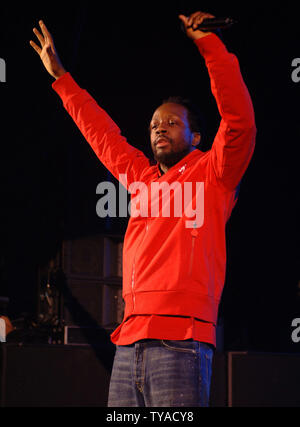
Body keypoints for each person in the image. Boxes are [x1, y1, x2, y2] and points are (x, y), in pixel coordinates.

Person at [30, 11, 256, 407]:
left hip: (182, 341)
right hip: (129, 342)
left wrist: (208, 45)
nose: (159, 127)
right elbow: (100, 133)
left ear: (196, 136)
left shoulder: (214, 173)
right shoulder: (141, 177)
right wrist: (61, 78)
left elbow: (239, 122)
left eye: (171, 122)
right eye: (154, 123)